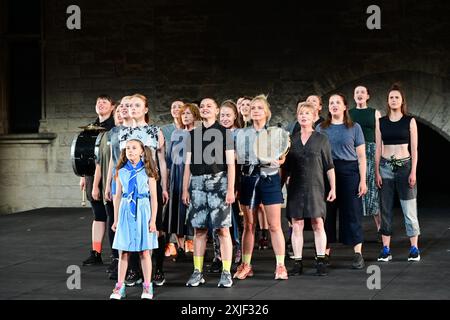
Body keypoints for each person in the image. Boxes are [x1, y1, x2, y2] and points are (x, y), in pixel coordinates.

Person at [182, 98, 236, 288]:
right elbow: (187, 164)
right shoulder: (194, 134)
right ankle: (197, 272)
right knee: (199, 230)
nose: (204, 108)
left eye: (209, 106)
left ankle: (227, 272)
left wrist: (230, 189)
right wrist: (185, 188)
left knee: (222, 229)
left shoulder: (224, 133)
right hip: (197, 184)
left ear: (217, 110)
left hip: (218, 183)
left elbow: (231, 164)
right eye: (202, 106)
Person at [234, 95, 289, 280]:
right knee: (249, 225)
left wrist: (280, 160)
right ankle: (246, 265)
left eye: (259, 107)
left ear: (266, 112)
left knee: (274, 225)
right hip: (248, 180)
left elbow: (282, 157)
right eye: (253, 108)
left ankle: (280, 266)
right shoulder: (240, 134)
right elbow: (234, 160)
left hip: (269, 179)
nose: (255, 110)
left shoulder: (275, 133)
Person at [118, 94, 169, 287]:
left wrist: (164, 185)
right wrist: (110, 185)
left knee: (155, 226)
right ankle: (134, 270)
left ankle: (158, 269)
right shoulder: (123, 133)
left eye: (137, 105)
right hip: (130, 185)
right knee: (131, 227)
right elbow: (119, 163)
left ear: (146, 109)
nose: (133, 108)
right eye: (130, 105)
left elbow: (162, 161)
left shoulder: (156, 131)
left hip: (150, 185)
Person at [283, 102, 336, 276]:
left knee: (317, 222)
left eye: (307, 113)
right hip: (296, 186)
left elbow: (329, 165)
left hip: (315, 186)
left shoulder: (322, 139)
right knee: (297, 224)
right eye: (301, 113)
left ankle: (320, 260)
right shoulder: (292, 140)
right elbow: (286, 168)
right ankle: (297, 262)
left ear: (314, 117)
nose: (304, 116)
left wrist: (333, 187)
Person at [317, 93, 367, 269]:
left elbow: (361, 157)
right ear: (328, 107)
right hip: (326, 172)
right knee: (327, 213)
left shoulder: (355, 128)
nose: (334, 105)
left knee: (352, 212)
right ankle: (325, 253)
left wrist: (363, 181)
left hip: (349, 172)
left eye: (338, 102)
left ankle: (357, 253)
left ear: (345, 106)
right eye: (331, 103)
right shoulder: (321, 128)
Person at [109, 135, 159, 300]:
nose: (130, 150)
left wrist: (153, 221)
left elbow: (154, 197)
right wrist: (116, 219)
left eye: (134, 148)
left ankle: (147, 285)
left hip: (143, 210)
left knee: (145, 251)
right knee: (124, 251)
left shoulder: (148, 171)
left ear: (142, 151)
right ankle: (119, 286)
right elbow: (117, 197)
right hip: (126, 211)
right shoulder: (121, 171)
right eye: (128, 148)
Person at [375, 84, 420, 262]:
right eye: (391, 97)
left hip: (405, 166)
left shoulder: (410, 121)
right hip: (385, 166)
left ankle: (414, 248)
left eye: (397, 97)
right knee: (384, 208)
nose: (394, 100)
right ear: (388, 101)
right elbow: (378, 147)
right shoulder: (381, 122)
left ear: (402, 101)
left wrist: (413, 171)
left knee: (409, 208)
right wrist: (377, 171)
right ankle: (385, 249)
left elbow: (415, 149)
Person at [80, 94, 115, 266]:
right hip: (92, 175)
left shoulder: (115, 127)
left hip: (110, 174)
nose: (100, 104)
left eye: (104, 102)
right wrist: (83, 176)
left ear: (112, 107)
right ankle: (96, 252)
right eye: (98, 102)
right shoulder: (90, 127)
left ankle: (118, 255)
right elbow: (85, 155)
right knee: (98, 215)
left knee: (113, 215)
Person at [163, 103, 200, 262]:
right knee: (177, 212)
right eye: (183, 113)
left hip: (193, 175)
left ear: (195, 115)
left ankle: (196, 247)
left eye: (189, 113)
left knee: (193, 212)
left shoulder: (200, 134)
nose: (185, 116)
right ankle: (180, 245)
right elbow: (170, 159)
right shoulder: (176, 134)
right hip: (176, 176)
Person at [104, 96, 134, 280]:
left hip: (132, 180)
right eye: (121, 106)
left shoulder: (137, 131)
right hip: (116, 179)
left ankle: (133, 264)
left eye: (126, 106)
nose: (123, 108)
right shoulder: (114, 132)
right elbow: (112, 162)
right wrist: (108, 183)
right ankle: (117, 258)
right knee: (113, 219)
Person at [349, 86, 382, 237]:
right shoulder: (348, 113)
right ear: (354, 96)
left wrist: (378, 158)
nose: (360, 95)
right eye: (357, 92)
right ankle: (354, 231)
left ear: (368, 95)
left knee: (372, 191)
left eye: (363, 92)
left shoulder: (374, 113)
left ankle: (381, 230)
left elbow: (379, 137)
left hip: (370, 151)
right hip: (353, 153)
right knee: (354, 190)